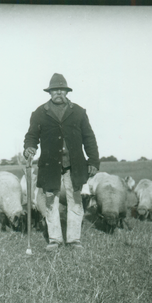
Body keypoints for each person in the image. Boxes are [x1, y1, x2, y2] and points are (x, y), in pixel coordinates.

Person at [23, 73, 100, 251]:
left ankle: (74, 240)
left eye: (62, 90)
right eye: (55, 90)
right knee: (51, 202)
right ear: (49, 92)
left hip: (75, 166)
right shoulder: (39, 113)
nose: (58, 93)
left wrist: (94, 161)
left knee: (75, 201)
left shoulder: (79, 112)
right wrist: (29, 147)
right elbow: (31, 136)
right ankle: (55, 239)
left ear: (67, 92)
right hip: (50, 166)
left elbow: (89, 138)